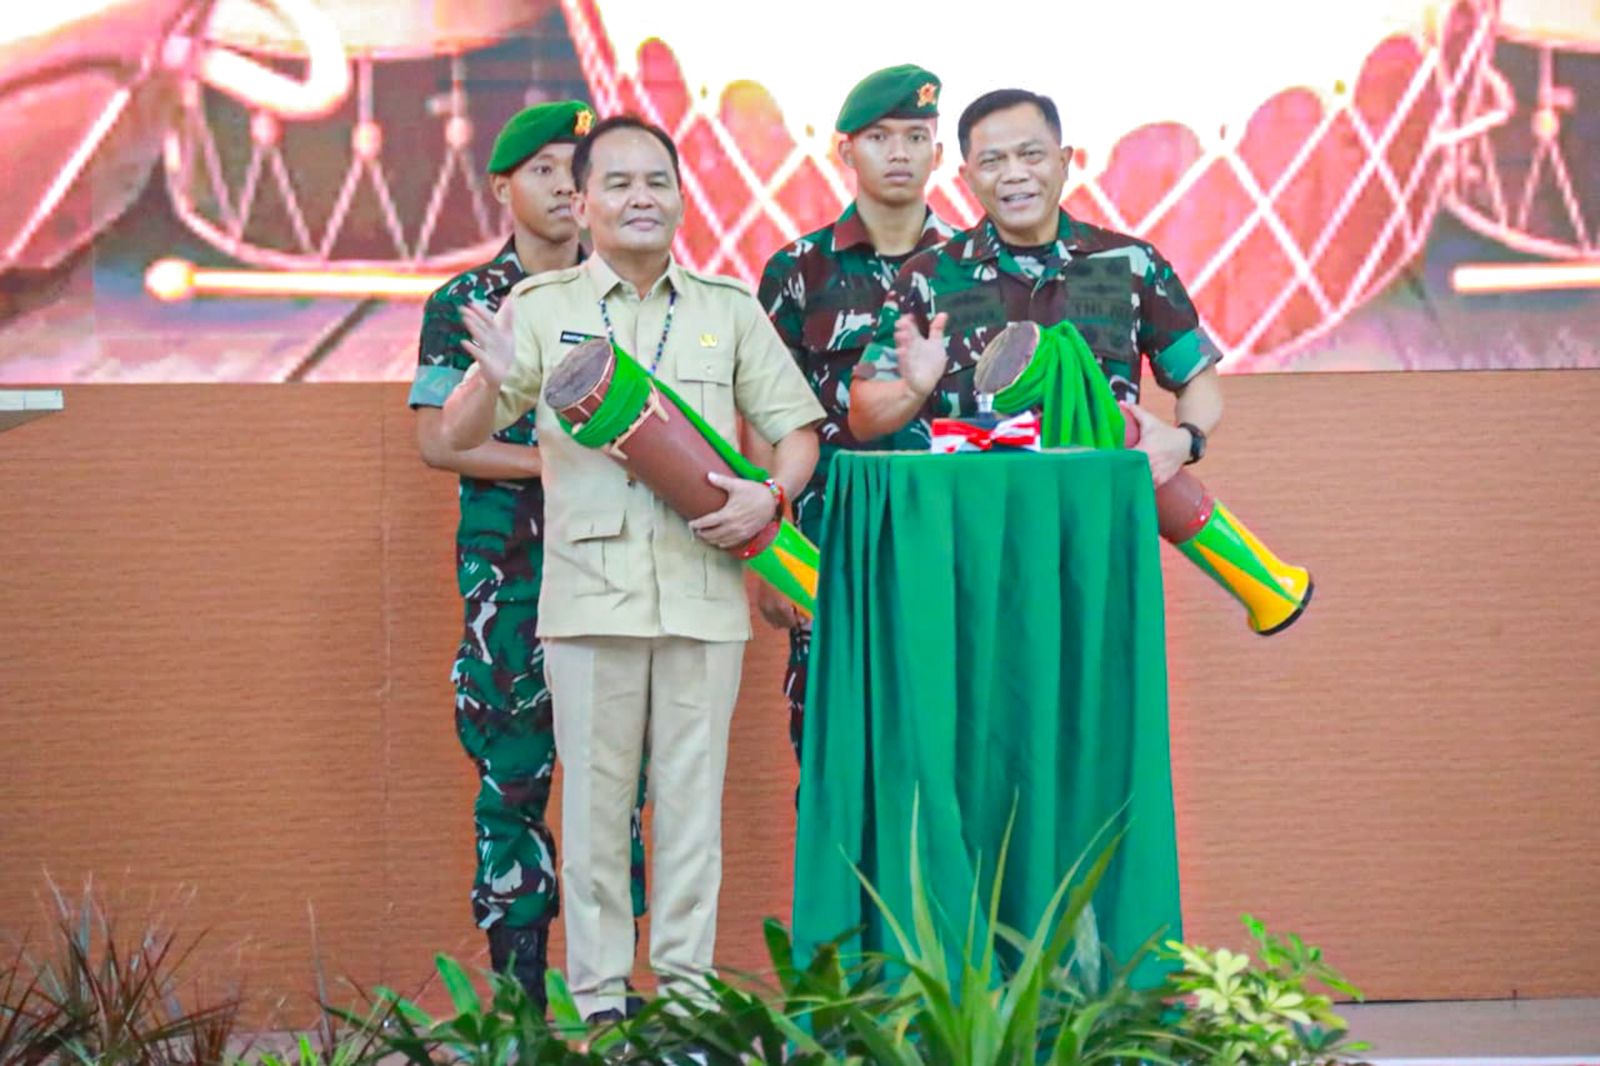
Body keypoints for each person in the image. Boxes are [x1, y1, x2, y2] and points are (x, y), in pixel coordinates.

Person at [438, 115, 824, 1021]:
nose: (641, 197)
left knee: (692, 814)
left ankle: (687, 1002)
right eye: (617, 183)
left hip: (704, 595)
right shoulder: (539, 310)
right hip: (588, 602)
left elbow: (797, 432)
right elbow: (453, 437)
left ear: (684, 197)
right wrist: (488, 380)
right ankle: (603, 1002)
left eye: (658, 180)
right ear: (583, 203)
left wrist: (771, 496)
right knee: (596, 818)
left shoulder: (729, 308)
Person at [408, 100, 645, 1006]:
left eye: (573, 169)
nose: (561, 186)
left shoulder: (626, 293)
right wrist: (558, 462)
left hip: (617, 574)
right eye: (541, 169)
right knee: (513, 786)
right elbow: (440, 441)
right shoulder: (464, 303)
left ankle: (609, 1002)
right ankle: (520, 1012)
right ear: (502, 186)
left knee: (616, 789)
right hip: (509, 583)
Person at [848, 88, 1224, 483]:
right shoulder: (926, 277)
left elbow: (1198, 377)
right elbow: (863, 416)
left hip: (1099, 512)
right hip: (975, 521)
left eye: (1031, 155)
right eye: (992, 161)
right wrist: (912, 389)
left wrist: (1185, 441)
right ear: (968, 178)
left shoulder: (1131, 263)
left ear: (1064, 162)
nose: (1014, 173)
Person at [752, 63, 956, 764]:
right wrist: (767, 552)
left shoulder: (973, 268)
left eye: (916, 135)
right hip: (824, 544)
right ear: (844, 151)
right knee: (830, 749)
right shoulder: (796, 270)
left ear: (938, 151)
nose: (898, 152)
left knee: (945, 745)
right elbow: (767, 417)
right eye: (878, 136)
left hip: (948, 541)